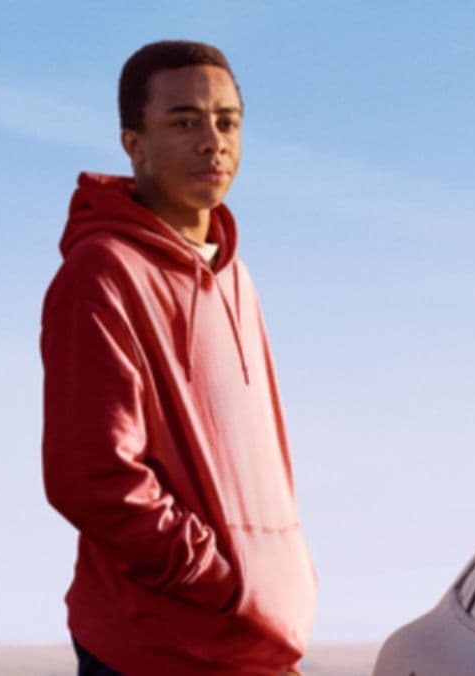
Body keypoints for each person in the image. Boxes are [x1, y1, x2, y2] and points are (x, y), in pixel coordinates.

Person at [39, 40, 315, 676]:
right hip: (159, 648)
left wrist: (272, 585)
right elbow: (92, 476)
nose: (212, 142)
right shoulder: (102, 272)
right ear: (133, 143)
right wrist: (217, 580)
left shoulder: (235, 276)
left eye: (227, 122)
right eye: (184, 122)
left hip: (252, 645)